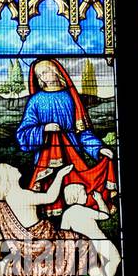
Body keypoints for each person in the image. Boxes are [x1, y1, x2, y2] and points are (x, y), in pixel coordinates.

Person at [0, 163, 119, 276]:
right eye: (12, 168)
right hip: (44, 244)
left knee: (73, 245)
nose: (16, 168)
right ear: (8, 177)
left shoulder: (2, 205)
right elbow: (50, 197)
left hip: (28, 249)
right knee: (83, 245)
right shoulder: (24, 195)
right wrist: (59, 175)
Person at [15, 58, 116, 214]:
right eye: (39, 75)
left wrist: (99, 149)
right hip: (45, 161)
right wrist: (44, 130)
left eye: (45, 71)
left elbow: (83, 133)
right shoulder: (35, 101)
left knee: (77, 200)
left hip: (73, 156)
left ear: (56, 71)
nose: (42, 77)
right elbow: (23, 134)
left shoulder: (71, 98)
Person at [60, 182, 121, 276]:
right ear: (76, 196)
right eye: (83, 193)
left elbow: (64, 232)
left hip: (82, 245)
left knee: (97, 264)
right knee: (115, 258)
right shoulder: (85, 210)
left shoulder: (66, 214)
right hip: (99, 241)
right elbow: (105, 215)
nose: (86, 196)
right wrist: (99, 199)